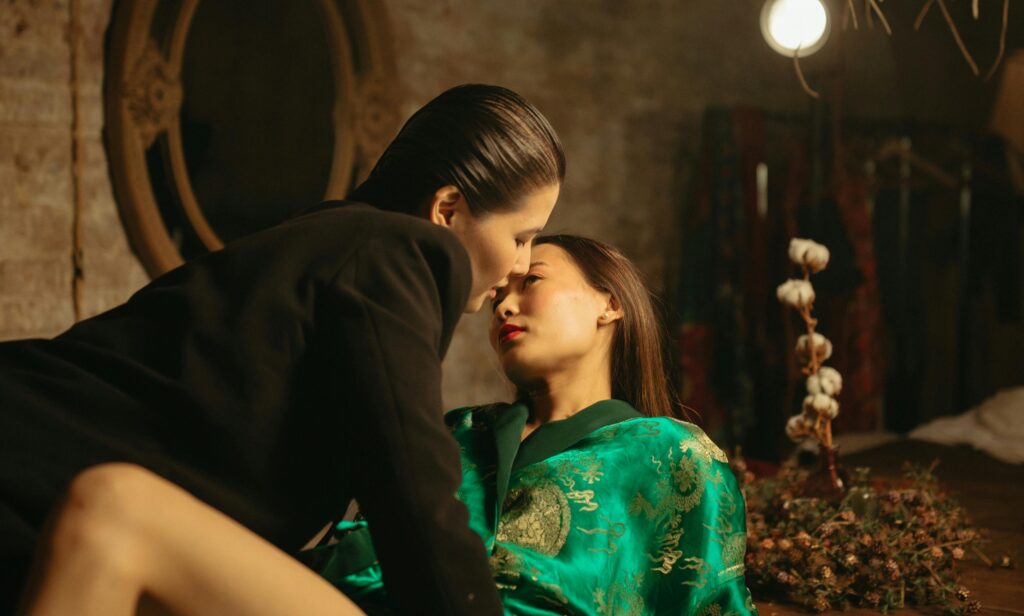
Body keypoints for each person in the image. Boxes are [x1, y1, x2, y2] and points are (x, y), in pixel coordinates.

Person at [2, 84, 564, 615]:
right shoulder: (397, 252)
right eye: (521, 237)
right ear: (447, 211)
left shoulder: (325, 242)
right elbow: (415, 494)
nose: (521, 265)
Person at [308, 235, 758, 615]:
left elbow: (715, 602)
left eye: (531, 282)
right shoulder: (455, 432)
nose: (504, 306)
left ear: (609, 304)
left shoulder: (675, 454)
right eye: (497, 297)